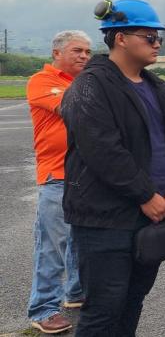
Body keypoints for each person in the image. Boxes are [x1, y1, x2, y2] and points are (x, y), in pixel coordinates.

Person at [61, 0, 165, 336]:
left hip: (151, 215)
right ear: (120, 38)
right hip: (105, 220)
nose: (157, 43)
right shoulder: (90, 86)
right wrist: (145, 194)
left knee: (133, 300)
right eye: (149, 37)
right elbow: (102, 150)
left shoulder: (157, 87)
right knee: (103, 310)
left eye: (158, 37)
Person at [25, 30, 91, 334]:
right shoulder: (42, 81)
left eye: (87, 52)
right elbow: (77, 107)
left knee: (81, 238)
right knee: (52, 245)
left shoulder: (83, 83)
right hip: (56, 176)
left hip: (85, 176)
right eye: (77, 50)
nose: (84, 56)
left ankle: (75, 293)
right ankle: (43, 309)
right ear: (56, 53)